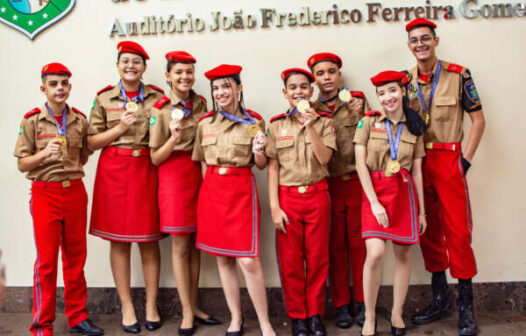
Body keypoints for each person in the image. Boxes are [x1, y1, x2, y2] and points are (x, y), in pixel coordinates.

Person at [403, 18, 485, 336]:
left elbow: (478, 120)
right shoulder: (403, 80)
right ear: (408, 45)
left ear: (436, 41)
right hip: (419, 162)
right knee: (428, 230)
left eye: (426, 38)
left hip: (449, 159)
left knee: (459, 233)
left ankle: (466, 307)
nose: (420, 44)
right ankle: (440, 299)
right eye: (414, 40)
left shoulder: (458, 74)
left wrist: (464, 160)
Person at [14, 63, 103, 336]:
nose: (60, 88)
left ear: (70, 87)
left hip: (75, 192)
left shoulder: (78, 119)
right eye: (54, 84)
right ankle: (42, 325)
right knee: (47, 262)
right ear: (44, 88)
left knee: (76, 258)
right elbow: (22, 164)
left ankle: (77, 317)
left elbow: (84, 154)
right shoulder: (31, 120)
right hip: (45, 193)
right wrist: (43, 155)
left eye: (64, 83)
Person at [192, 64, 276, 336]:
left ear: (239, 88)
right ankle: (236, 318)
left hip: (241, 190)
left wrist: (259, 151)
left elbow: (261, 165)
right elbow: (203, 161)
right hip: (213, 191)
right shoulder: (205, 124)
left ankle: (264, 322)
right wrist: (209, 192)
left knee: (248, 260)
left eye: (226, 86)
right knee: (223, 259)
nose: (221, 93)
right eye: (216, 88)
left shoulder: (254, 123)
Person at [87, 41, 165, 333]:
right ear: (117, 65)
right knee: (118, 240)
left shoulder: (158, 98)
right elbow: (91, 142)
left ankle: (152, 305)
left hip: (147, 167)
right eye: (125, 61)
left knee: (148, 239)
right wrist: (119, 128)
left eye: (136, 61)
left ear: (144, 66)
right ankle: (128, 306)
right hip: (114, 171)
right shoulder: (104, 99)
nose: (130, 66)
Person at [149, 51, 219, 336]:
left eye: (189, 72)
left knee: (194, 246)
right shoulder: (160, 109)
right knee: (179, 246)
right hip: (174, 177)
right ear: (168, 76)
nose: (185, 77)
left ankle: (196, 305)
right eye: (178, 72)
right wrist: (174, 138)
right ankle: (187, 312)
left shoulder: (202, 103)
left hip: (199, 174)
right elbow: (154, 157)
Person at [354, 71, 427, 336]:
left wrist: (422, 211)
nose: (388, 97)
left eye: (393, 91)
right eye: (382, 93)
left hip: (403, 192)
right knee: (374, 253)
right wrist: (373, 202)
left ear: (403, 92)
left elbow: (417, 172)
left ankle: (396, 313)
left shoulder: (415, 126)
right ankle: (370, 316)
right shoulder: (367, 123)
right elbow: (360, 164)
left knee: (403, 253)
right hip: (375, 191)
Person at [266, 68, 336, 336]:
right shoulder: (276, 125)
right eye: (292, 88)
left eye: (304, 87)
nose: (298, 92)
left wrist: (310, 126)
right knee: (291, 262)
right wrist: (274, 207)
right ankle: (297, 316)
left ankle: (316, 314)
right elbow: (272, 168)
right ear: (285, 94)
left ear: (312, 91)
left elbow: (325, 158)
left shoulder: (324, 122)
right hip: (288, 198)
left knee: (318, 259)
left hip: (318, 195)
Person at [309, 52, 369, 328]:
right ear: (314, 79)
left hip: (356, 182)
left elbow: (374, 134)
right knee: (334, 247)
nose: (326, 78)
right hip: (327, 184)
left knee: (359, 246)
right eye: (320, 73)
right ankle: (342, 304)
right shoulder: (310, 109)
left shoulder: (356, 101)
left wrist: (363, 115)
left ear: (339, 74)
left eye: (331, 72)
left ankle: (363, 301)